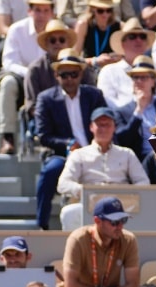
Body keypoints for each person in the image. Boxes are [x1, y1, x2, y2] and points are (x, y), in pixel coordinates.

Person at [34, 48, 106, 229]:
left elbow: (106, 123)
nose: (69, 79)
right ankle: (41, 225)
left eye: (73, 74)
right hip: (62, 155)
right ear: (56, 75)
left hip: (95, 151)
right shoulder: (46, 98)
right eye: (64, 74)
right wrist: (67, 144)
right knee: (50, 172)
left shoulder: (94, 95)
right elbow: (43, 135)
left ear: (81, 74)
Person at [56, 107, 146, 229]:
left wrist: (127, 193)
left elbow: (144, 182)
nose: (103, 129)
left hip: (121, 205)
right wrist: (84, 191)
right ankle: (76, 247)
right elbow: (63, 184)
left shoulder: (126, 154)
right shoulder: (79, 154)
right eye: (99, 125)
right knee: (69, 213)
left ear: (114, 127)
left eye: (107, 125)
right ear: (91, 127)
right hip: (90, 204)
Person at [61, 196, 140, 287]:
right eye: (114, 222)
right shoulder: (78, 239)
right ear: (97, 221)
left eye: (123, 220)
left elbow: (133, 284)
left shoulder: (128, 240)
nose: (120, 226)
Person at [0, 0, 54, 155]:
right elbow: (9, 63)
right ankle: (8, 137)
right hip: (22, 79)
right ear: (29, 11)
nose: (41, 15)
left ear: (52, 13)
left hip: (52, 80)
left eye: (46, 10)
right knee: (7, 83)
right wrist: (31, 74)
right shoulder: (16, 29)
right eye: (38, 10)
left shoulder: (59, 30)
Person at [109, 55, 156, 160]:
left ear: (153, 81)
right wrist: (138, 111)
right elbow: (121, 141)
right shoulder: (122, 111)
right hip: (137, 163)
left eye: (144, 77)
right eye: (135, 77)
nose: (139, 81)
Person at [97, 17, 156, 109]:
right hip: (123, 121)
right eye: (132, 36)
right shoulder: (108, 71)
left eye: (142, 37)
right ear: (122, 43)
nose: (138, 40)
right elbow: (108, 104)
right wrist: (136, 108)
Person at [23, 18, 87, 119]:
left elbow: (92, 98)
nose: (57, 43)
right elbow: (33, 107)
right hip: (47, 122)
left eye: (62, 40)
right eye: (53, 40)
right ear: (46, 44)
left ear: (68, 43)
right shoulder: (35, 70)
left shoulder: (82, 67)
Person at [74, 0, 122, 68]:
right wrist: (95, 61)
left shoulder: (119, 26)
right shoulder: (83, 25)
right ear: (93, 10)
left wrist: (117, 57)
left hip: (111, 69)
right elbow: (74, 57)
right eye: (100, 11)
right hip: (89, 69)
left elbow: (124, 56)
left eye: (108, 10)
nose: (105, 15)